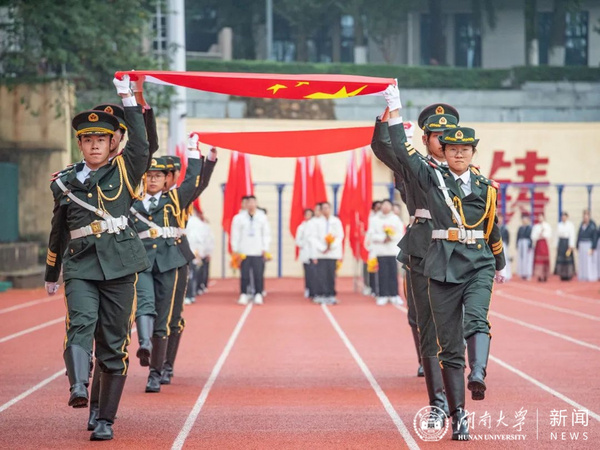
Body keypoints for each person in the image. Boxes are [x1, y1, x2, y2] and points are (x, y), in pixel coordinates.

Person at [385, 84, 506, 441]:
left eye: (463, 148)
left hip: (477, 261)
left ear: (471, 151)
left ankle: (478, 373)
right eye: (450, 147)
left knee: (477, 318)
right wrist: (395, 111)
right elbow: (402, 155)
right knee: (445, 343)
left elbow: (491, 223)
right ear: (436, 145)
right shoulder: (430, 176)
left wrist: (500, 262)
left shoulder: (484, 184)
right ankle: (456, 415)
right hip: (437, 262)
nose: (456, 153)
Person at [44, 76, 149, 441]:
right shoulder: (64, 182)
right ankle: (78, 385)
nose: (94, 145)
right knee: (81, 323)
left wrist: (128, 98)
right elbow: (58, 229)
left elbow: (143, 145)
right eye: (87, 139)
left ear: (111, 142)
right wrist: (51, 272)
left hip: (120, 265)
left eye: (100, 139)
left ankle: (104, 418)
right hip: (81, 265)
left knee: (114, 341)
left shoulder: (124, 169)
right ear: (80, 143)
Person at [372, 103, 460, 409]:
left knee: (457, 324)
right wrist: (389, 115)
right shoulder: (415, 166)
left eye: (450, 136)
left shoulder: (465, 170)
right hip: (424, 246)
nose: (446, 142)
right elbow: (384, 147)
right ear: (426, 139)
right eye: (438, 136)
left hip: (457, 250)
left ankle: (462, 378)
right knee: (422, 321)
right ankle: (437, 393)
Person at [130, 140, 202, 393]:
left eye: (157, 176)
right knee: (145, 305)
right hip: (143, 263)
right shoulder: (133, 202)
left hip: (170, 263)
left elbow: (194, 181)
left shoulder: (174, 199)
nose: (152, 180)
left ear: (166, 179)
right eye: (149, 176)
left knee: (164, 317)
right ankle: (146, 344)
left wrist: (194, 153)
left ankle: (155, 372)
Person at [160, 145, 217, 386]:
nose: (157, 180)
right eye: (152, 175)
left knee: (172, 316)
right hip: (145, 260)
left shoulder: (180, 195)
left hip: (174, 257)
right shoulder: (141, 196)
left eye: (163, 175)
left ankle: (165, 365)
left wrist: (209, 161)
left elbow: (199, 184)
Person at [231, 195, 271, 305]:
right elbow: (235, 235)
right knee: (244, 274)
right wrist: (235, 249)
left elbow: (266, 234)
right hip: (244, 251)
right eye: (249, 202)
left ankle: (258, 293)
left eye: (253, 202)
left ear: (256, 203)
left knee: (258, 274)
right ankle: (243, 294)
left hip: (258, 250)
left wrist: (265, 248)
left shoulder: (262, 217)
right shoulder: (238, 218)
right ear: (246, 204)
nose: (251, 204)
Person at [369, 199, 405, 305]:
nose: (385, 207)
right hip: (381, 250)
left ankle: (394, 294)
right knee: (382, 273)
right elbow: (371, 234)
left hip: (392, 250)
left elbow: (400, 233)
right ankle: (383, 295)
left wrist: (391, 237)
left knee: (393, 273)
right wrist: (383, 238)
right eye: (384, 205)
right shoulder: (375, 219)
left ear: (391, 207)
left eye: (388, 205)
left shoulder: (395, 219)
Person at [310, 202, 344, 305]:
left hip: (333, 253)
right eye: (323, 208)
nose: (325, 210)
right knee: (321, 274)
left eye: (327, 208)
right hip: (321, 253)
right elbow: (313, 237)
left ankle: (331, 294)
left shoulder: (336, 221)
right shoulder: (316, 222)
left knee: (331, 274)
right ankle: (321, 294)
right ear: (320, 210)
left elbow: (340, 236)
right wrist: (323, 247)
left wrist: (331, 246)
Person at [295, 208, 315, 299]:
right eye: (307, 214)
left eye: (310, 214)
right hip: (306, 252)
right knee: (308, 273)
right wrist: (304, 243)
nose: (308, 216)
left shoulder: (316, 226)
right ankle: (308, 288)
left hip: (315, 253)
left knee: (315, 272)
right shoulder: (301, 227)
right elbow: (298, 240)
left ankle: (315, 290)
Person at [576, 209, 597, 281]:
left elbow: (595, 236)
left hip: (588, 244)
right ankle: (583, 276)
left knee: (589, 261)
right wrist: (577, 244)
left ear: (589, 216)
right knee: (582, 261)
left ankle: (590, 276)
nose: (585, 217)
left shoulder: (592, 225)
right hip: (582, 244)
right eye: (584, 215)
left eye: (587, 215)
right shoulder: (581, 224)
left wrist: (593, 247)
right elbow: (579, 235)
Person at [555, 212, 576, 281]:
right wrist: (556, 245)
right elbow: (556, 236)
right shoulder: (559, 225)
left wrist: (571, 245)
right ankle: (562, 274)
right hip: (561, 243)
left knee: (568, 259)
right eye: (562, 216)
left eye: (564, 216)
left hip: (567, 243)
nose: (563, 218)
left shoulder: (570, 225)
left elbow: (572, 235)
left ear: (567, 217)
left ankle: (569, 274)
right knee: (561, 259)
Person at [531, 213, 552, 282]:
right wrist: (539, 235)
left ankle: (545, 275)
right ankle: (539, 275)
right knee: (538, 260)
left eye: (541, 217)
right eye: (539, 217)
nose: (540, 218)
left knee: (545, 260)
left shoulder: (547, 226)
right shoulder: (536, 226)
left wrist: (542, 234)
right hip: (538, 244)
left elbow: (549, 235)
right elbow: (533, 236)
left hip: (544, 244)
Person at [516, 213, 533, 280]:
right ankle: (522, 273)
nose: (524, 220)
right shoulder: (520, 228)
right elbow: (517, 237)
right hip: (521, 243)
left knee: (528, 259)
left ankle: (528, 273)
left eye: (525, 219)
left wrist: (530, 245)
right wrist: (517, 244)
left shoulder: (530, 228)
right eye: (523, 219)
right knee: (521, 259)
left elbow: (531, 237)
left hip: (527, 244)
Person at [498, 215, 512, 281]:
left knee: (506, 259)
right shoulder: (495, 227)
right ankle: (498, 275)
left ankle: (507, 275)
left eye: (501, 218)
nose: (500, 219)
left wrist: (506, 244)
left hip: (503, 243)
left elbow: (508, 237)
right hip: (497, 244)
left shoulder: (505, 228)